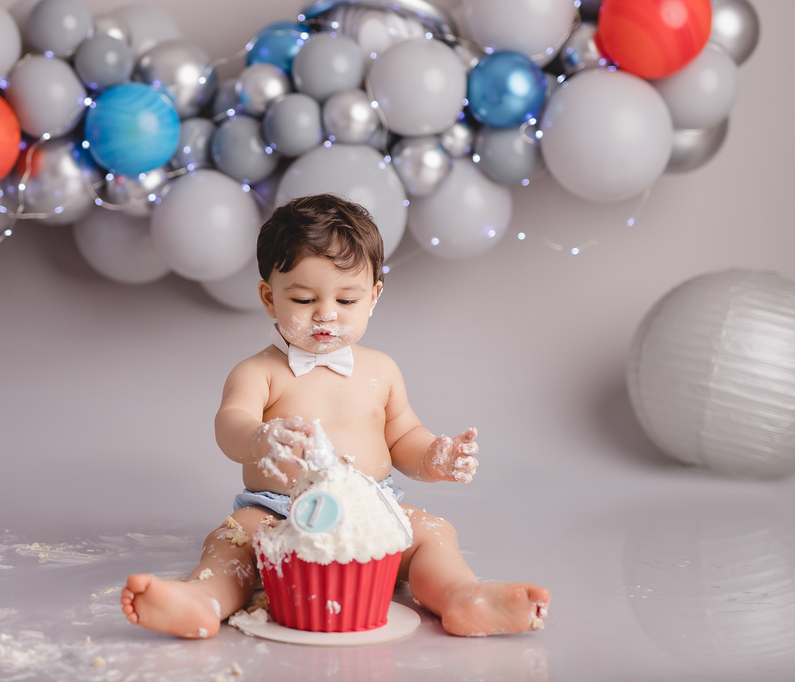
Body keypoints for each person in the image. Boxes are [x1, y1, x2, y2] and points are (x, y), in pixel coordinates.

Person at [121, 193, 549, 638]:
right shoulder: (259, 372)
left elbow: (403, 437)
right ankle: (202, 599)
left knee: (434, 534)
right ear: (270, 298)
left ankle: (463, 597)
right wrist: (258, 439)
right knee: (232, 543)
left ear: (373, 296)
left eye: (346, 300)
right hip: (278, 511)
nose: (326, 313)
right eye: (304, 299)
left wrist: (433, 457)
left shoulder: (381, 369)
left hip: (371, 508)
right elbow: (229, 423)